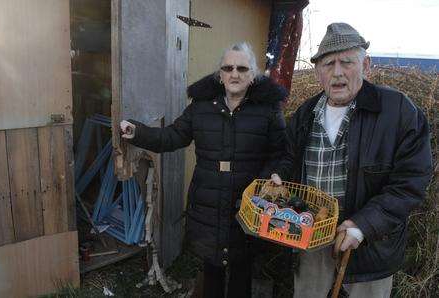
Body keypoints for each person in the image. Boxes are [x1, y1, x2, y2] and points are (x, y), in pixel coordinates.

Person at [271, 23, 433, 297]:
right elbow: (290, 158)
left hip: (370, 244)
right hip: (312, 237)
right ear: (317, 72)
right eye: (328, 64)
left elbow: (411, 182)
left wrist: (362, 226)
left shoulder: (399, 111)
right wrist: (278, 176)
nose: (337, 72)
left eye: (347, 62)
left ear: (366, 65)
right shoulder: (305, 114)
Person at [120, 42, 288, 298]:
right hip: (208, 200)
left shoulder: (267, 111)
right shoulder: (201, 108)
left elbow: (280, 153)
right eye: (228, 68)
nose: (234, 74)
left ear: (252, 76)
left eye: (242, 68)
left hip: (248, 202)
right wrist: (138, 132)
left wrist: (273, 175)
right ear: (219, 75)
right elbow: (172, 136)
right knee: (211, 267)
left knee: (242, 268)